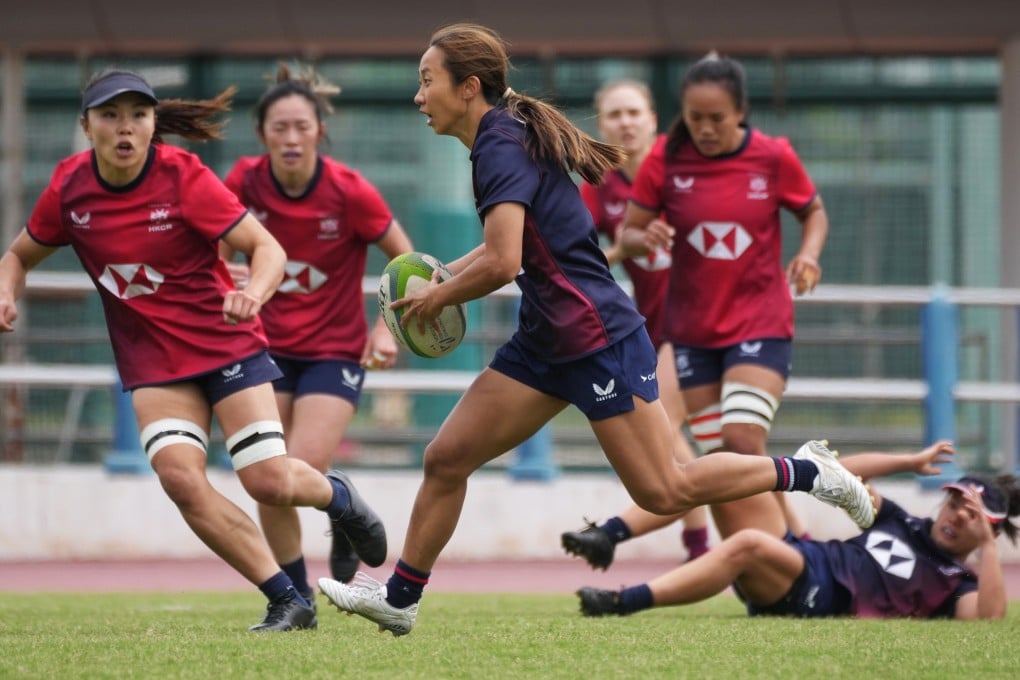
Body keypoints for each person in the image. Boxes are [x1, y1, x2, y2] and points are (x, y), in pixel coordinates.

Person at [316, 22, 873, 637]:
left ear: (469, 87)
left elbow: (504, 262)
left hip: (595, 336)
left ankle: (812, 472)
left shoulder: (499, 146)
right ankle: (401, 598)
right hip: (545, 339)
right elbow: (511, 248)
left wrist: (437, 296)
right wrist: (446, 274)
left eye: (427, 82)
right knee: (446, 458)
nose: (419, 97)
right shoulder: (501, 137)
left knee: (666, 490)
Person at [0, 69, 388, 632]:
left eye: (138, 115)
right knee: (181, 479)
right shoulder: (69, 187)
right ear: (87, 126)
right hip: (155, 363)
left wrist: (253, 293)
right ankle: (287, 599)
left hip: (226, 345)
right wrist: (6, 292)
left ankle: (338, 496)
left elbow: (267, 248)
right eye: (110, 116)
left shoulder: (183, 176)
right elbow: (18, 255)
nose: (125, 127)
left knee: (268, 482)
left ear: (154, 124)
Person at [612, 53, 827, 544]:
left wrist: (809, 255)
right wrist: (646, 238)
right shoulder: (666, 158)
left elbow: (813, 212)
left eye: (717, 118)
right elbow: (630, 234)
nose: (705, 129)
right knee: (719, 464)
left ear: (740, 111)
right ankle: (771, 558)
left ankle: (792, 535)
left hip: (761, 321)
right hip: (691, 332)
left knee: (743, 441)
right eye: (695, 118)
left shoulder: (773, 156)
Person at [220, 64, 413, 594]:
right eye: (278, 127)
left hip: (334, 352)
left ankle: (343, 509)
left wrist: (385, 329)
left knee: (299, 467)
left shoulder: (350, 191)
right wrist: (224, 275)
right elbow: (209, 249)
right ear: (262, 135)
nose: (290, 137)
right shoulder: (242, 182)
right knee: (267, 477)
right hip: (264, 349)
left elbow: (409, 262)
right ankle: (296, 593)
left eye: (301, 126)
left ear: (319, 132)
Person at [577, 440, 1017, 620]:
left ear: (989, 532)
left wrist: (987, 551)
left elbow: (988, 620)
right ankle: (609, 535)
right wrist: (909, 462)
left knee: (749, 545)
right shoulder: (904, 522)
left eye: (972, 516)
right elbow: (840, 474)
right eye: (956, 502)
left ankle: (621, 602)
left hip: (820, 594)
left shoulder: (958, 583)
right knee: (726, 473)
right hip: (804, 556)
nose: (957, 515)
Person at [577, 79, 709, 563]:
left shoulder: (685, 172)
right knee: (715, 445)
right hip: (652, 330)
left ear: (654, 119)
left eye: (634, 112)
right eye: (614, 115)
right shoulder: (602, 187)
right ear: (600, 125)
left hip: (703, 324)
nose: (625, 123)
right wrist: (624, 246)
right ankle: (772, 541)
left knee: (665, 429)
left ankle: (651, 539)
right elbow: (581, 257)